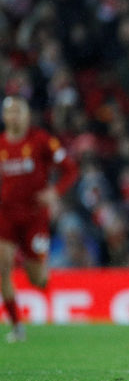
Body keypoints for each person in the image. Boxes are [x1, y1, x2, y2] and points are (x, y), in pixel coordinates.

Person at [0, 96, 78, 342]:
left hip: (34, 217)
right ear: (4, 117)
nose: (14, 116)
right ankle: (17, 327)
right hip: (6, 215)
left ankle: (45, 275)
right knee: (3, 270)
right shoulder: (1, 144)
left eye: (18, 111)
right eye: (10, 112)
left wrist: (55, 192)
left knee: (37, 279)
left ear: (27, 115)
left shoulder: (41, 140)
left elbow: (70, 168)